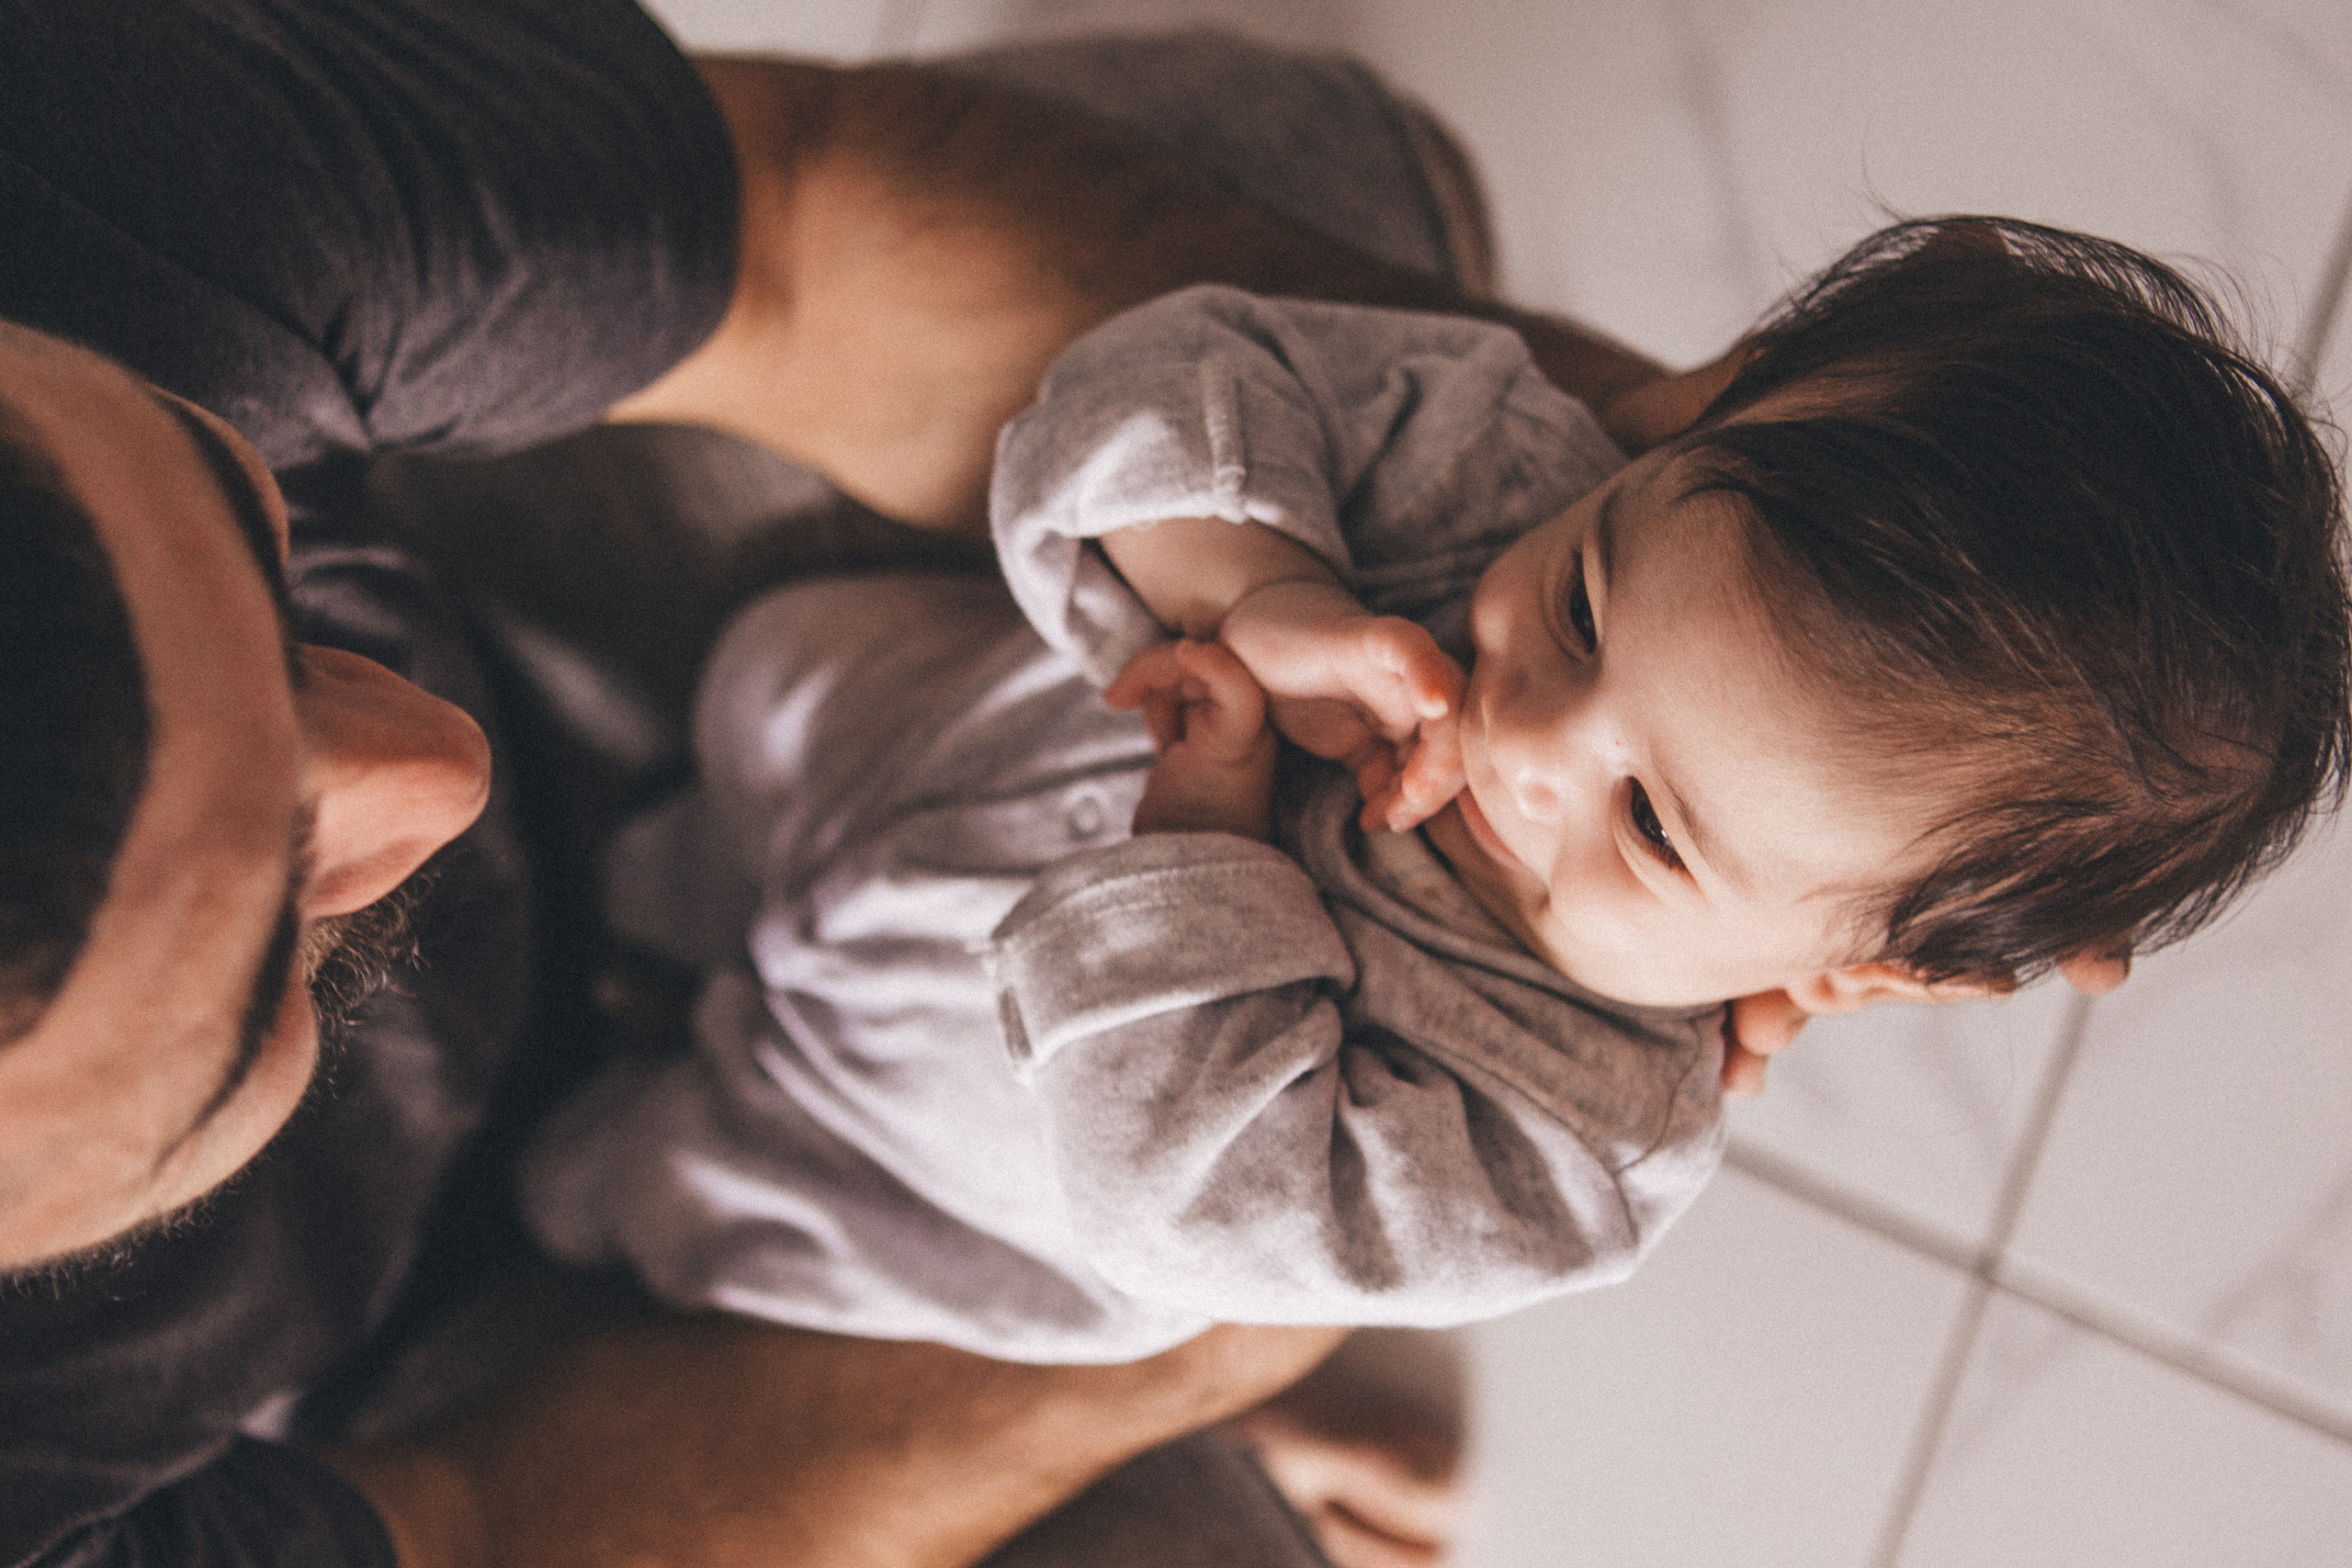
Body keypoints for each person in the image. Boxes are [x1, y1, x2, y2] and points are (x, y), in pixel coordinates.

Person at [0, 6, 2128, 1562]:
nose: (430, 761)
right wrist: (1221, 1348)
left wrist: (1772, 613)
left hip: (810, 879)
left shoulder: (73, 146)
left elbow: (818, 231)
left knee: (1291, 160)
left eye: (233, 524)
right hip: (482, 1363)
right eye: (269, 915)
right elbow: (471, 1524)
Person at [520, 220, 2348, 1363]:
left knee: (632, 1197)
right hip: (882, 739)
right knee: (743, 699)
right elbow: (1154, 376)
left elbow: (1195, 1205)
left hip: (899, 1146)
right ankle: (625, 848)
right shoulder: (1480, 456)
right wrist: (1256, 578)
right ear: (1688, 414)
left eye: (1653, 823)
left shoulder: (1577, 1143)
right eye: (1583, 604)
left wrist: (1209, 841)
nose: (1530, 739)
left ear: (1858, 964)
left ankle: (579, 1161)